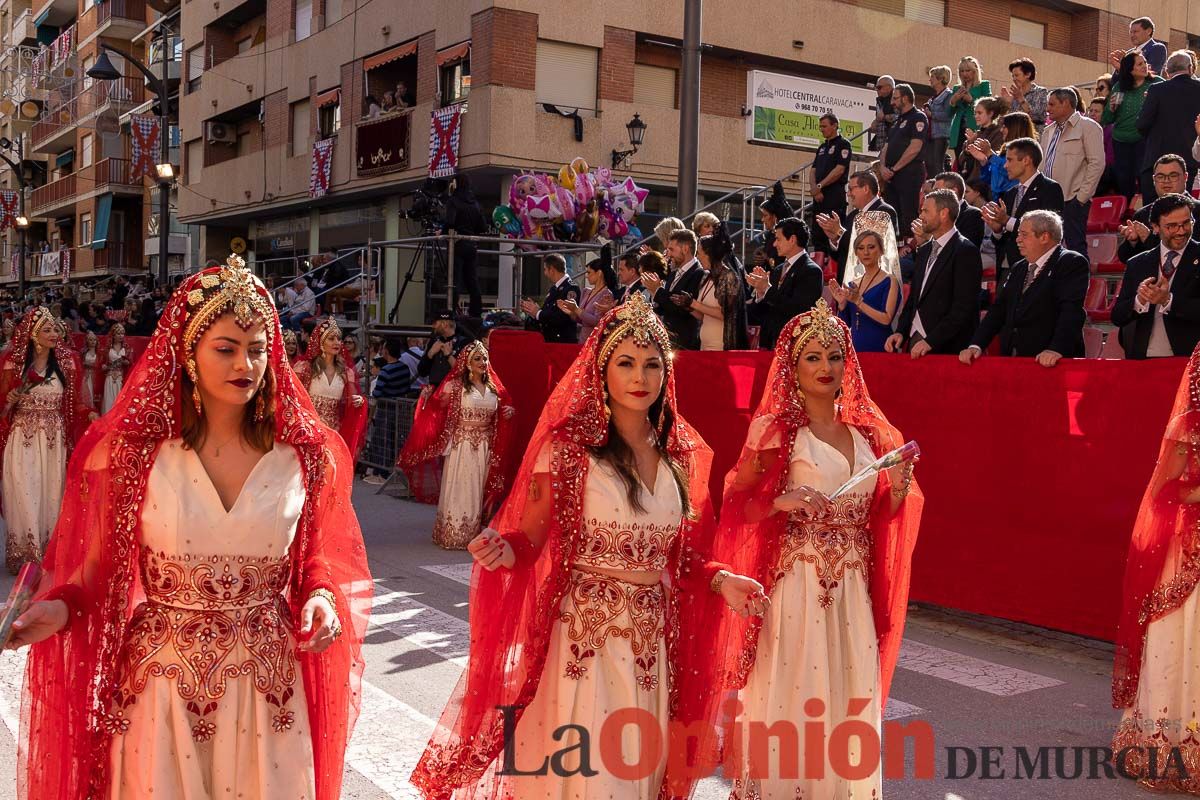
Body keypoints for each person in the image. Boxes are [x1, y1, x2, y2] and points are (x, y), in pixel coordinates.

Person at [10, 259, 371, 800]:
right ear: (187, 351)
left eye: (257, 348)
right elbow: (95, 575)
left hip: (266, 688)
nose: (245, 363)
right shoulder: (131, 456)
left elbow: (318, 557)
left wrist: (320, 598)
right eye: (225, 347)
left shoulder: (307, 457)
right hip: (161, 689)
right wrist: (53, 610)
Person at [410, 294, 764, 799]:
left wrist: (721, 579)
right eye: (626, 363)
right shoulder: (568, 449)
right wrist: (503, 548)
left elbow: (685, 558)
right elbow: (531, 537)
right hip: (584, 642)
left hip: (650, 646)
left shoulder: (681, 454)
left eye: (651, 364)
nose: (640, 376)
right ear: (602, 369)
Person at [713, 299, 921, 799]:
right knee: (796, 697)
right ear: (792, 366)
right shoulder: (777, 432)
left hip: (852, 590)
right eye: (813, 357)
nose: (826, 367)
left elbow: (883, 516)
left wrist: (896, 486)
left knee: (849, 696)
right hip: (797, 587)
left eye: (834, 356)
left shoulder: (869, 431)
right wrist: (779, 499)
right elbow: (735, 506)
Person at [1111, 341, 1200, 793]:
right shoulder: (1190, 429)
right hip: (1190, 552)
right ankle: (1171, 744)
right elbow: (1167, 491)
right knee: (1182, 642)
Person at [0, 307, 92, 573]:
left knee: (52, 492)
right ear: (32, 335)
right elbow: (3, 407)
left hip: (53, 440)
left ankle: (50, 551)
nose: (54, 334)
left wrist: (93, 416)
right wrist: (9, 401)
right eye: (47, 329)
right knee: (23, 491)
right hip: (22, 437)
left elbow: (76, 403)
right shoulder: (12, 365)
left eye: (55, 329)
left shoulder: (67, 363)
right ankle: (26, 554)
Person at [398, 341, 514, 549]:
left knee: (480, 486)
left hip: (486, 445)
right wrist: (426, 399)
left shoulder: (494, 388)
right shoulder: (455, 387)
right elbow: (436, 410)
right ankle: (455, 533)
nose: (482, 362)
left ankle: (476, 531)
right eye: (477, 359)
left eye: (485, 358)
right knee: (463, 486)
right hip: (462, 445)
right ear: (467, 363)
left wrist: (508, 413)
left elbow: (504, 410)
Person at [962, 210, 1087, 366]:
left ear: (1044, 237)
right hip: (1014, 359)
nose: (1018, 239)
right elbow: (999, 310)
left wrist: (1056, 349)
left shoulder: (1071, 262)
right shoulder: (1018, 267)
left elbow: (1071, 311)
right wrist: (976, 344)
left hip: (1051, 363)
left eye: (1024, 234)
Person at [891, 189, 983, 357]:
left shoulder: (965, 251)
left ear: (943, 213)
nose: (921, 216)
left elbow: (963, 307)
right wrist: (901, 332)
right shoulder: (925, 250)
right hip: (915, 341)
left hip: (947, 348)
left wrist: (931, 341)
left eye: (926, 210)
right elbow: (914, 298)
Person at [1111, 193, 1200, 359]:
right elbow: (1117, 316)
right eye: (1172, 226)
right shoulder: (1137, 263)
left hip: (1190, 363)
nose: (1181, 231)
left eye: (1186, 223)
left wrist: (1168, 301)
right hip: (1143, 361)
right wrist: (1140, 300)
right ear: (1155, 227)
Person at [982, 137, 1065, 278]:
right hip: (1006, 268)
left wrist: (1007, 221)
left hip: (1034, 270)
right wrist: (997, 230)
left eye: (1009, 160)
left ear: (1026, 160)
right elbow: (1002, 239)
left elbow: (1047, 231)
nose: (1005, 166)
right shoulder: (1010, 193)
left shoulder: (1049, 189)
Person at [1040, 87, 1106, 256]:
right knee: (1048, 250)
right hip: (1048, 199)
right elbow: (1042, 164)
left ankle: (1080, 282)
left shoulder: (1089, 127)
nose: (1048, 109)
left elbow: (1097, 163)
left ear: (1066, 104)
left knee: (1075, 247)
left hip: (1072, 200)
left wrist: (1081, 198)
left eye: (1052, 104)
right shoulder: (1048, 131)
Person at [292, 317, 369, 458]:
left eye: (338, 339)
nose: (337, 342)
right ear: (321, 342)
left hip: (333, 433)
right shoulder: (304, 368)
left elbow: (351, 401)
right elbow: (293, 398)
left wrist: (360, 401)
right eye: (331, 339)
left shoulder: (347, 372)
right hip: (309, 431)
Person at [828, 210, 902, 353]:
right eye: (861, 248)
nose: (866, 252)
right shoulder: (853, 283)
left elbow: (886, 319)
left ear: (881, 251)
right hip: (856, 349)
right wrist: (842, 305)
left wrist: (858, 301)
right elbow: (847, 323)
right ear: (856, 253)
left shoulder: (889, 280)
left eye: (871, 247)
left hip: (880, 348)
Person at [747, 216, 824, 350]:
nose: (774, 244)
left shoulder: (811, 270)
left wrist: (767, 289)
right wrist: (760, 293)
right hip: (771, 343)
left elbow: (799, 309)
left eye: (778, 239)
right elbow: (762, 312)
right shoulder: (777, 270)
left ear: (792, 239)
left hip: (795, 345)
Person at [1138, 50, 1200, 205]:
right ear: (1191, 68)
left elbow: (1141, 124)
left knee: (1153, 213)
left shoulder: (1156, 89)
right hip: (1189, 159)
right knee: (1182, 210)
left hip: (1157, 159)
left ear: (1166, 71)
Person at [817, 171, 899, 283]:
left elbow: (870, 249)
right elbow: (841, 255)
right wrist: (834, 239)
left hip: (870, 286)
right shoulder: (852, 215)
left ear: (865, 189)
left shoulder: (884, 211)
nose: (848, 194)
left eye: (851, 189)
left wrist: (840, 231)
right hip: (847, 286)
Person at [1102, 50, 1163, 202]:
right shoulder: (1119, 87)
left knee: (1145, 178)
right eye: (1140, 64)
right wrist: (1111, 108)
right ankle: (1126, 211)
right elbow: (1107, 119)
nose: (1145, 66)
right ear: (1130, 69)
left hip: (1145, 139)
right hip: (1121, 141)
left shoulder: (1157, 84)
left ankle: (1145, 210)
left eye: (1145, 62)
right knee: (1124, 180)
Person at [1118, 154, 1200, 263]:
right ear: (1153, 179)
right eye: (1160, 176)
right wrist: (1133, 242)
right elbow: (1126, 259)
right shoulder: (1142, 215)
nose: (1166, 181)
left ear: (1185, 177)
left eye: (1173, 175)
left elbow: (1190, 252)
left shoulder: (1198, 210)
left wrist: (1149, 239)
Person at [642, 228, 705, 350]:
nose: (668, 254)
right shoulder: (673, 273)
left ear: (685, 249)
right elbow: (664, 308)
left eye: (671, 249)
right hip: (668, 342)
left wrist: (657, 290)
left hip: (686, 344)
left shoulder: (699, 273)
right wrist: (653, 291)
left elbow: (681, 308)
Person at [363, 338, 415, 486]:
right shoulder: (404, 367)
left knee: (383, 439)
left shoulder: (386, 370)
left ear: (386, 351)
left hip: (386, 409)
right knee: (395, 439)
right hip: (400, 407)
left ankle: (382, 473)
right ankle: (391, 470)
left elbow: (377, 393)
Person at [692, 221, 749, 350]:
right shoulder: (706, 277)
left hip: (721, 346)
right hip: (704, 346)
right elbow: (703, 315)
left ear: (709, 254)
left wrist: (695, 304)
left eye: (699, 252)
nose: (697, 256)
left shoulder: (728, 277)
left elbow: (727, 315)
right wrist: (688, 306)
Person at [880, 83, 928, 233]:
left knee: (908, 215)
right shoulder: (896, 122)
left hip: (909, 174)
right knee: (890, 214)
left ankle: (909, 251)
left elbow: (915, 148)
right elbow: (885, 148)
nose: (892, 102)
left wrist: (894, 168)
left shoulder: (918, 117)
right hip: (891, 176)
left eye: (895, 98)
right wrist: (882, 167)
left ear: (905, 98)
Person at [444, 173, 488, 318]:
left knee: (454, 279)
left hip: (457, 243)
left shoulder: (453, 201)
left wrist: (443, 231)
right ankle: (475, 312)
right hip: (471, 244)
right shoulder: (475, 203)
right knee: (472, 280)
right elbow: (482, 227)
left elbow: (450, 222)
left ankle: (452, 311)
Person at [811, 113, 853, 255]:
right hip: (818, 199)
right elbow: (813, 170)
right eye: (820, 126)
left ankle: (833, 268)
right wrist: (814, 188)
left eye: (824, 126)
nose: (821, 129)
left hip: (834, 197)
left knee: (832, 235)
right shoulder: (822, 147)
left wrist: (819, 186)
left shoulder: (843, 144)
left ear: (834, 126)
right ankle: (820, 269)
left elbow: (839, 170)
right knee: (817, 235)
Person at [520, 254, 580, 344]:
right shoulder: (554, 289)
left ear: (552, 270)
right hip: (550, 340)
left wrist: (538, 313)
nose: (545, 273)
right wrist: (534, 310)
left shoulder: (571, 289)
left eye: (545, 269)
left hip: (561, 342)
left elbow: (562, 317)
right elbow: (549, 312)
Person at [559, 253, 616, 342]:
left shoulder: (606, 295)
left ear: (599, 273)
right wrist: (571, 312)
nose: (586, 275)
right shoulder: (586, 291)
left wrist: (577, 309)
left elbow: (598, 322)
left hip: (594, 343)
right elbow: (581, 320)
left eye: (589, 272)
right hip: (582, 341)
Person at [956, 96, 1007, 183]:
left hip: (985, 181)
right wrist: (969, 144)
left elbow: (996, 159)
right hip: (970, 179)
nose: (976, 116)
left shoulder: (998, 133)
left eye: (979, 113)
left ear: (990, 113)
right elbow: (961, 161)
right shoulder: (977, 134)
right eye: (975, 113)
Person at [948, 56, 991, 155]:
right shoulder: (956, 88)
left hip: (976, 129)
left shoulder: (983, 85)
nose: (964, 74)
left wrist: (971, 100)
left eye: (967, 70)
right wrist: (953, 101)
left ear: (975, 71)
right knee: (960, 161)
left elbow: (988, 107)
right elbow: (949, 113)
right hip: (959, 131)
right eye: (962, 71)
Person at [933, 170, 986, 248]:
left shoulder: (973, 214)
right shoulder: (937, 214)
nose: (933, 195)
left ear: (953, 191)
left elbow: (966, 248)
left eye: (937, 191)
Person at [1001, 58, 1049, 132]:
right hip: (1015, 135)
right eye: (1012, 76)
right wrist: (1007, 104)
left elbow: (1038, 117)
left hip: (1033, 136)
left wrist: (1021, 99)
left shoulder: (1040, 92)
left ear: (1028, 74)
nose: (1014, 79)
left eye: (1017, 75)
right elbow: (1007, 120)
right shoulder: (1013, 95)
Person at [754, 182, 794, 269]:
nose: (762, 219)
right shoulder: (770, 235)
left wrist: (767, 258)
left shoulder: (787, 237)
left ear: (775, 217)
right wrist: (760, 253)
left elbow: (781, 265)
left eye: (765, 215)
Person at [925, 65, 954, 178]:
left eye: (933, 77)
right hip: (931, 135)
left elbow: (948, 115)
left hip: (941, 135)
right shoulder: (934, 97)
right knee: (929, 163)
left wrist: (932, 114)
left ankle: (940, 185)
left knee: (937, 164)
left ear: (941, 78)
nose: (930, 79)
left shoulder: (948, 95)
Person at [418, 313, 462, 386]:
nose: (433, 326)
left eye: (435, 323)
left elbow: (463, 373)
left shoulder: (463, 343)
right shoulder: (434, 342)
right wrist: (430, 353)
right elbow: (422, 372)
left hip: (453, 392)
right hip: (434, 392)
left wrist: (448, 355)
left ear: (444, 324)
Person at [101, 322, 130, 415]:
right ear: (113, 335)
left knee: (120, 401)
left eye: (122, 333)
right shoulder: (108, 348)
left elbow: (131, 362)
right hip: (109, 377)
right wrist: (103, 366)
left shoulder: (127, 348)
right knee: (109, 401)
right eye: (118, 333)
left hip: (121, 378)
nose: (121, 336)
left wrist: (127, 363)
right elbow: (102, 362)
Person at [869, 75, 897, 151]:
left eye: (879, 87)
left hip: (893, 143)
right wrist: (876, 122)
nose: (876, 90)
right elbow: (879, 119)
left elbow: (901, 117)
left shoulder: (897, 100)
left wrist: (884, 117)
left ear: (888, 87)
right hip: (881, 144)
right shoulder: (879, 102)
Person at [80, 330, 100, 410]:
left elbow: (100, 364)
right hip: (86, 375)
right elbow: (80, 363)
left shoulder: (99, 352)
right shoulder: (83, 352)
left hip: (95, 376)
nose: (93, 342)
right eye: (90, 340)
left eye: (94, 340)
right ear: (87, 341)